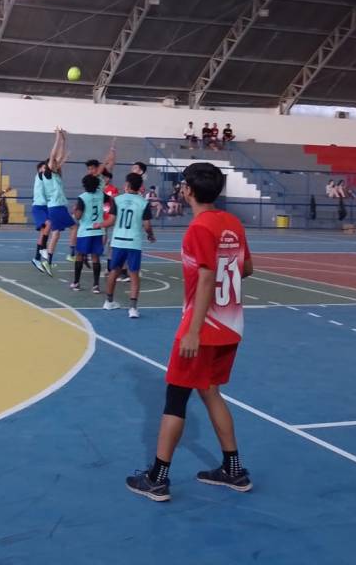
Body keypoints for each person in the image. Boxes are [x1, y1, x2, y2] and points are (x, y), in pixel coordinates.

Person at [126, 162, 254, 503]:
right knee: (210, 391)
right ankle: (233, 469)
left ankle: (157, 478)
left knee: (176, 398)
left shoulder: (198, 228)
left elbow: (208, 277)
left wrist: (193, 331)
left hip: (204, 327)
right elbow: (247, 268)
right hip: (231, 323)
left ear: (188, 191)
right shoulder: (233, 223)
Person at [100, 172, 154, 318]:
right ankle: (133, 309)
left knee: (114, 271)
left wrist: (99, 224)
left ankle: (108, 302)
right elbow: (147, 225)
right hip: (133, 242)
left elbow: (111, 221)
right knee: (134, 274)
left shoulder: (117, 200)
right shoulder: (143, 203)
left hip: (118, 241)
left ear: (127, 185)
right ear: (140, 187)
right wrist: (150, 235)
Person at [68, 143, 116, 261]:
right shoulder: (92, 177)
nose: (90, 171)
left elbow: (109, 164)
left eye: (92, 168)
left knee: (99, 228)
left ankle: (91, 252)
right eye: (88, 169)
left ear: (97, 168)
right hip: (92, 200)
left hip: (99, 199)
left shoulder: (99, 175)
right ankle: (78, 251)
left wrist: (112, 151)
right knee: (83, 225)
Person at [38, 128, 76, 275]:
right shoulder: (48, 175)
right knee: (74, 227)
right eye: (52, 162)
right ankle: (72, 253)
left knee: (56, 234)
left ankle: (47, 261)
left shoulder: (56, 175)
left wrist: (64, 141)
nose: (55, 162)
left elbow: (58, 157)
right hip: (56, 207)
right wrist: (57, 137)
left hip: (57, 207)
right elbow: (54, 154)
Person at [71, 174, 107, 292]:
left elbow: (78, 216)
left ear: (85, 185)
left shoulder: (82, 197)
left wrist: (74, 210)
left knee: (80, 255)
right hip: (98, 230)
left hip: (85, 231)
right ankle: (96, 285)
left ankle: (76, 282)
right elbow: (110, 200)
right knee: (95, 257)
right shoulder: (101, 195)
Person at [31, 160, 51, 273]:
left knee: (43, 233)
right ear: (39, 170)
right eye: (44, 167)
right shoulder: (39, 176)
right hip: (38, 207)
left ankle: (37, 259)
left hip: (45, 207)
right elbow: (49, 167)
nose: (45, 169)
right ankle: (43, 249)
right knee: (49, 224)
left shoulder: (47, 179)